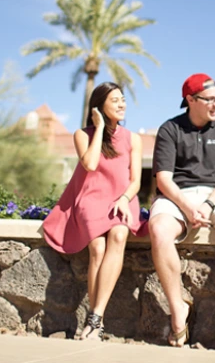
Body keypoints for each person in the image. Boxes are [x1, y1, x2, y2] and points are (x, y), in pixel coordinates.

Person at [149, 73, 215, 347]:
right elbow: (164, 179)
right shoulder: (169, 129)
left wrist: (208, 205)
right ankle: (178, 310)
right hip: (176, 195)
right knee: (159, 230)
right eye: (209, 99)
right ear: (190, 100)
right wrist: (187, 207)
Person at [42, 82, 147, 340]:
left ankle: (95, 318)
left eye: (123, 99)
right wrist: (100, 127)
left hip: (123, 198)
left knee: (119, 235)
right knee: (97, 249)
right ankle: (94, 317)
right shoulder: (83, 134)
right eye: (115, 100)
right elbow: (89, 164)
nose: (122, 104)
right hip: (91, 198)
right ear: (99, 107)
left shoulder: (133, 138)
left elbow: (135, 181)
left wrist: (123, 199)